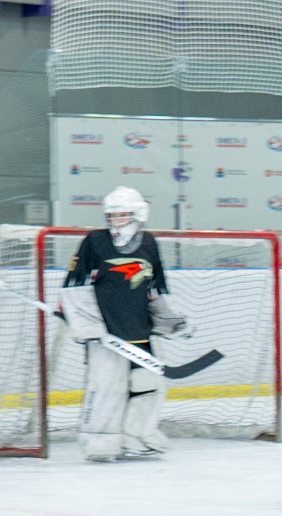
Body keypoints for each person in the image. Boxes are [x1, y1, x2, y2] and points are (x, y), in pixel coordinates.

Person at [60, 187, 189, 462]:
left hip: (140, 331)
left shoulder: (149, 243)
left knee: (147, 385)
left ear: (139, 214)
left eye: (123, 215)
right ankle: (100, 443)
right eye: (112, 215)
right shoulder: (94, 241)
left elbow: (154, 289)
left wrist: (169, 320)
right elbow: (74, 287)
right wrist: (90, 328)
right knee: (106, 388)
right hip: (106, 334)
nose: (116, 221)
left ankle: (137, 436)